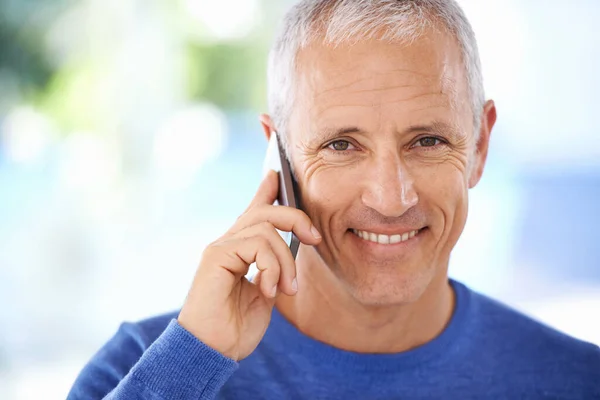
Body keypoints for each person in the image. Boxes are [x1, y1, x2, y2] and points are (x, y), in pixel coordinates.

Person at [67, 1, 600, 399]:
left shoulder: (579, 382)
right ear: (279, 158)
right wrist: (192, 361)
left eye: (428, 141)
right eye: (341, 145)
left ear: (480, 147)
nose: (391, 198)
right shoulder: (140, 371)